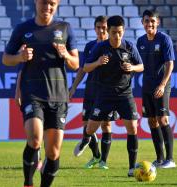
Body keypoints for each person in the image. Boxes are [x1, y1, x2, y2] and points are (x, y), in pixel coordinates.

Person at [2, 0, 79, 186]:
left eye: (52, 3)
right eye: (44, 2)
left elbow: (76, 63)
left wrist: (65, 55)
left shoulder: (65, 28)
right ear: (36, 2)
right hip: (33, 94)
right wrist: (20, 57)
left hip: (58, 96)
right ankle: (28, 183)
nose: (48, 7)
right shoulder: (23, 29)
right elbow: (6, 59)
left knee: (53, 152)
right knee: (35, 139)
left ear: (57, 4)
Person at [74, 15, 144, 177]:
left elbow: (141, 66)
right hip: (104, 94)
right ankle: (86, 140)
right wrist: (98, 62)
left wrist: (132, 67)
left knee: (133, 128)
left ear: (123, 31)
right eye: (113, 32)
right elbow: (86, 67)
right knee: (90, 128)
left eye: (119, 32)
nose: (116, 36)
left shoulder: (129, 47)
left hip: (124, 94)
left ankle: (132, 167)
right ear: (109, 31)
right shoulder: (100, 47)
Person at [70, 16, 117, 170]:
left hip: (106, 92)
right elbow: (83, 69)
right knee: (86, 125)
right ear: (95, 28)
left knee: (105, 124)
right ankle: (96, 155)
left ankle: (103, 160)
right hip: (91, 91)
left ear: (108, 29)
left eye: (104, 28)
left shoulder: (112, 46)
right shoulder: (90, 46)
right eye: (98, 27)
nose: (101, 30)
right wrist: (73, 88)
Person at [136, 9, 176, 168]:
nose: (149, 24)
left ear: (157, 22)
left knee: (163, 119)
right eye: (147, 21)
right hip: (146, 86)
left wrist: (162, 85)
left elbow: (170, 64)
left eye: (152, 21)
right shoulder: (140, 41)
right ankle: (159, 159)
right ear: (142, 23)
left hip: (162, 85)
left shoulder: (164, 39)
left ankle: (170, 159)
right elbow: (139, 64)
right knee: (152, 121)